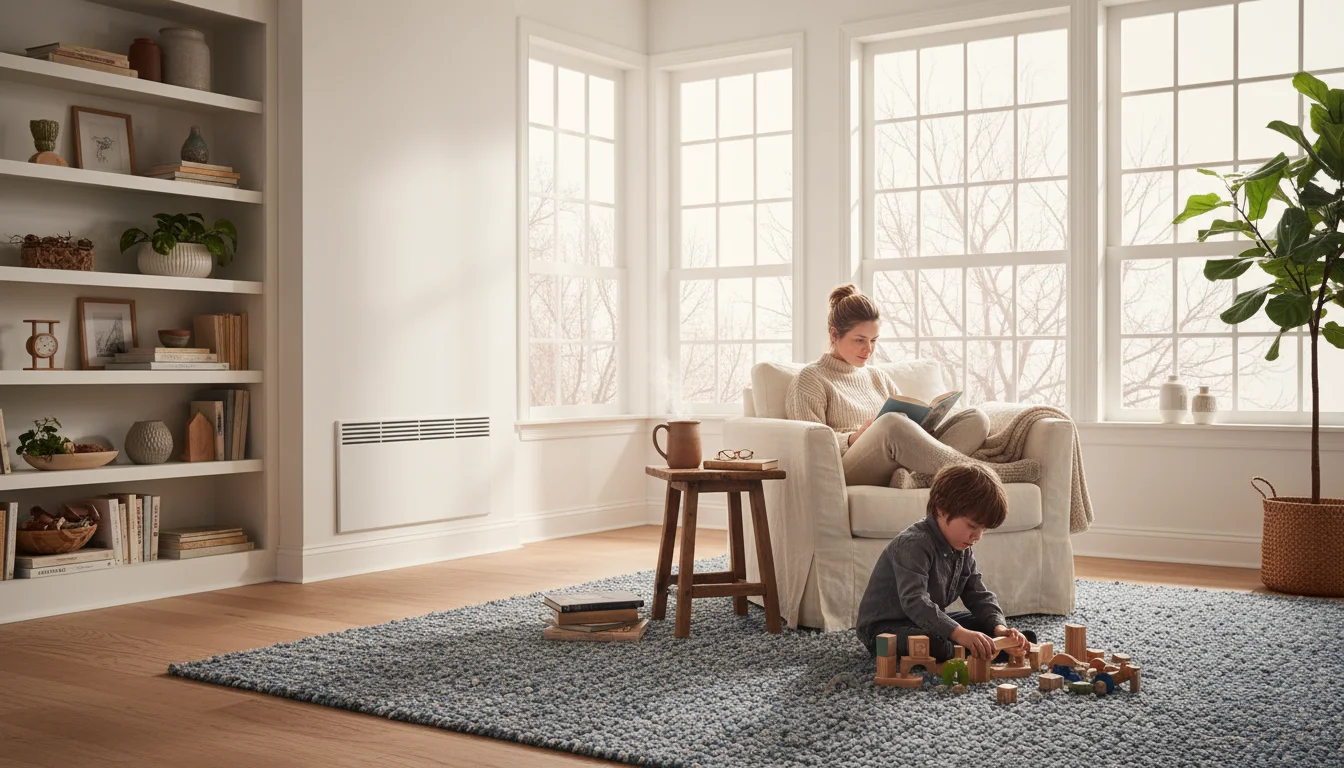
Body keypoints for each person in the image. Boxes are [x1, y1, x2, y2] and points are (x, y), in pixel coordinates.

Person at [784, 283, 990, 486]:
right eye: (860, 340)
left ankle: (917, 479)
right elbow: (809, 446)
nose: (868, 349)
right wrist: (854, 438)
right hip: (847, 467)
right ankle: (984, 473)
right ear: (834, 334)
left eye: (873, 340)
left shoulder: (878, 377)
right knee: (891, 423)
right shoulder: (810, 379)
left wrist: (920, 432)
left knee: (975, 417)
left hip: (900, 459)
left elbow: (904, 427)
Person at [856, 463, 1033, 661]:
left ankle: (991, 645)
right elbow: (915, 602)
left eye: (984, 529)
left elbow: (978, 595)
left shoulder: (962, 547)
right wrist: (961, 634)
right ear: (942, 509)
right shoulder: (913, 544)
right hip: (885, 629)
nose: (978, 536)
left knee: (986, 629)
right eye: (972, 526)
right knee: (938, 645)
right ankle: (980, 650)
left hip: (924, 622)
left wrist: (999, 628)